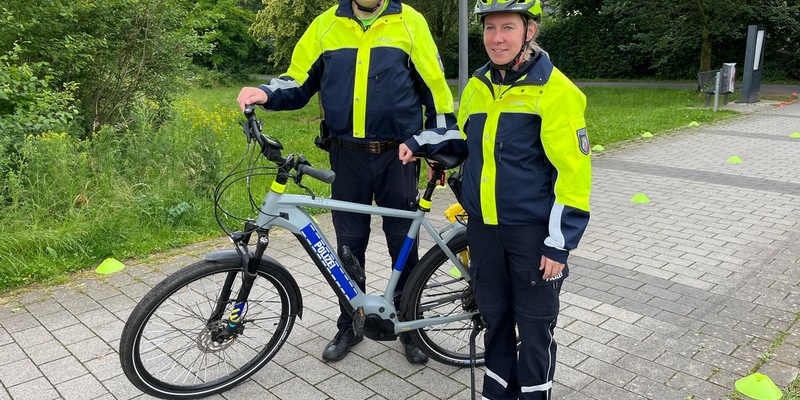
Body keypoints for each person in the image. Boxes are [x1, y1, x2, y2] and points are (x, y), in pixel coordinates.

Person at [236, 0, 455, 364]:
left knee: (403, 240)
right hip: (346, 154)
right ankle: (350, 322)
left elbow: (436, 92)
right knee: (349, 243)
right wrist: (266, 93)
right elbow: (299, 80)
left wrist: (437, 143)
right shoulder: (325, 25)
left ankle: (409, 325)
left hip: (398, 154)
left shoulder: (410, 22)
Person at [398, 0, 591, 398]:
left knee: (535, 327)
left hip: (532, 233)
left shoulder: (557, 92)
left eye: (507, 28)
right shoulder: (478, 85)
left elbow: (574, 175)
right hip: (484, 229)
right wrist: (425, 147)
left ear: (529, 32)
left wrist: (559, 244)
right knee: (495, 319)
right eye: (489, 29)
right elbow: (466, 141)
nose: (497, 38)